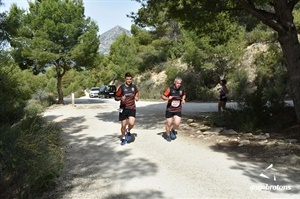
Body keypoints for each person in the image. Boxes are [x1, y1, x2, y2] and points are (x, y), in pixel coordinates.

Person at [115, 72, 139, 145]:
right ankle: (123, 138)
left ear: (132, 79)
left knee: (132, 123)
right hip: (123, 108)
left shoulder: (134, 87)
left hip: (132, 107)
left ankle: (128, 131)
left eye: (130, 79)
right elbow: (116, 98)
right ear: (125, 79)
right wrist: (120, 98)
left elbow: (137, 92)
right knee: (123, 125)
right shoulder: (121, 87)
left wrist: (137, 97)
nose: (129, 80)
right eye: (127, 79)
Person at [161, 77, 186, 142]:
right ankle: (168, 135)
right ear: (174, 83)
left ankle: (172, 130)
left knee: (177, 123)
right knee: (169, 123)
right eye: (177, 83)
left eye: (180, 83)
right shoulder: (170, 89)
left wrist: (183, 99)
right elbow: (163, 96)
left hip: (178, 109)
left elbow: (184, 95)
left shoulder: (182, 89)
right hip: (170, 109)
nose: (179, 85)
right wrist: (168, 98)